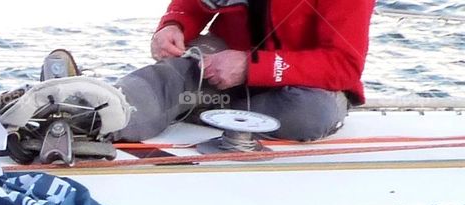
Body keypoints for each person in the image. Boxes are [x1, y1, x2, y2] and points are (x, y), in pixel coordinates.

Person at [115, 0, 376, 144]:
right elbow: (193, 4)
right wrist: (174, 25)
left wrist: (251, 66)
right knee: (174, 74)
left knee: (310, 114)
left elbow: (344, 65)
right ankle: (100, 116)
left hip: (303, 85)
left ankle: (196, 109)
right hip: (221, 61)